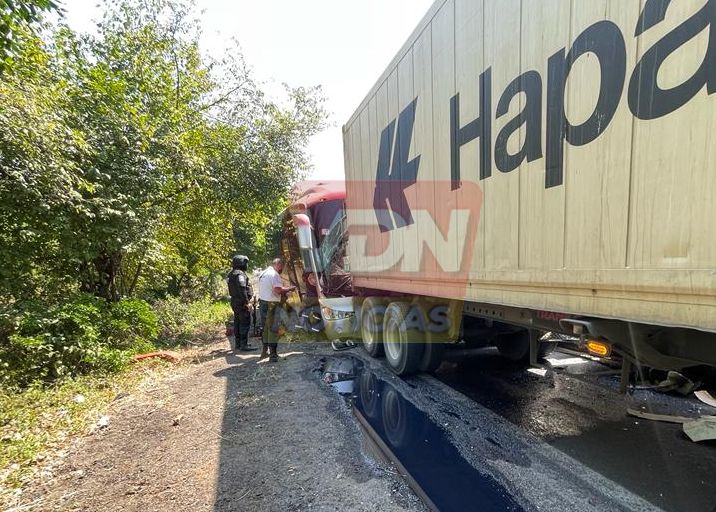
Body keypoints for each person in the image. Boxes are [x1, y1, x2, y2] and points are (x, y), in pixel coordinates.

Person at [257, 258, 296, 362]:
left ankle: (265, 351)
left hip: (263, 302)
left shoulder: (263, 273)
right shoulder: (274, 274)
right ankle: (273, 355)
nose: (281, 270)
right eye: (281, 268)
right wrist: (289, 289)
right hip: (271, 304)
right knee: (273, 329)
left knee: (265, 328)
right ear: (278, 264)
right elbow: (277, 290)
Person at [227, 255, 257, 352]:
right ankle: (244, 345)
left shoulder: (231, 274)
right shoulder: (240, 275)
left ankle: (238, 344)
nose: (246, 265)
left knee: (237, 322)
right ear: (241, 263)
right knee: (244, 323)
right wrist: (247, 302)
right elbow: (242, 288)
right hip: (241, 303)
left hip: (235, 302)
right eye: (245, 263)